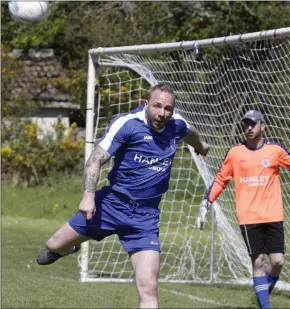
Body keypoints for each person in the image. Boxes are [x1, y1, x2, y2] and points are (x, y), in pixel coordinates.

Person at [37, 83, 210, 309]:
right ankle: (70, 248)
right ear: (145, 104)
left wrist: (202, 146)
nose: (162, 113)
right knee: (52, 246)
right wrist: (88, 195)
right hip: (109, 205)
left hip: (145, 217)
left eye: (167, 108)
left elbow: (190, 133)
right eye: (157, 106)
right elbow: (95, 160)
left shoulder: (177, 124)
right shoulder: (128, 124)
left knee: (148, 287)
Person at [197, 110, 290, 309]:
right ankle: (265, 305)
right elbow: (220, 179)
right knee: (258, 261)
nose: (249, 128)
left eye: (253, 124)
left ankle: (261, 293)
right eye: (246, 124)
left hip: (273, 214)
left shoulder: (274, 151)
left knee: (278, 261)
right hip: (248, 216)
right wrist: (206, 203)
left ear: (263, 126)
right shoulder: (235, 153)